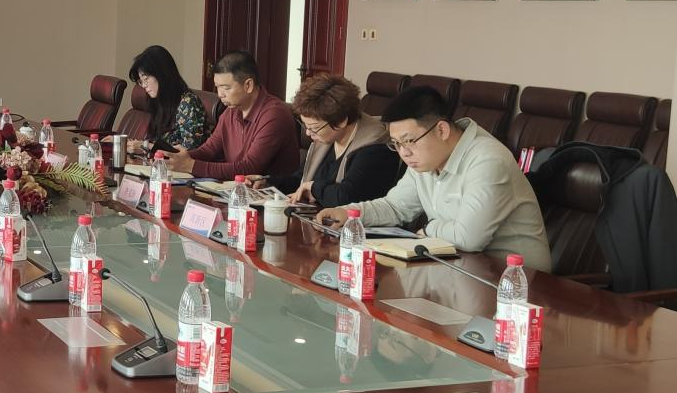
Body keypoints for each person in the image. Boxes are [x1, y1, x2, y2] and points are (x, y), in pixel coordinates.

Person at [317, 86, 552, 270]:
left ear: (441, 130)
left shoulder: (488, 160)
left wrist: (429, 228)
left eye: (409, 141)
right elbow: (396, 206)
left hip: (517, 283)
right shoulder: (425, 159)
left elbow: (469, 238)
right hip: (459, 268)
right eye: (396, 144)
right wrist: (348, 213)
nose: (404, 152)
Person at [269, 75, 401, 206]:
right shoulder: (328, 139)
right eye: (306, 126)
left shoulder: (376, 146)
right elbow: (302, 180)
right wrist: (268, 182)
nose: (308, 133)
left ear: (341, 121)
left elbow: (346, 196)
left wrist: (314, 189)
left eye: (314, 128)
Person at [167, 50, 299, 180]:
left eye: (226, 88)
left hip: (270, 192)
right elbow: (209, 151)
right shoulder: (231, 111)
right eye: (217, 87)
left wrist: (191, 166)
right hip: (236, 188)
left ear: (248, 85)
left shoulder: (274, 115)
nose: (220, 94)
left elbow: (249, 167)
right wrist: (179, 157)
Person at [128, 45, 207, 151]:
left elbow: (189, 151)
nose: (144, 85)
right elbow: (156, 141)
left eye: (146, 79)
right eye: (141, 81)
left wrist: (146, 146)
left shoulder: (188, 103)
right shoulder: (159, 100)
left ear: (162, 74)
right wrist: (126, 143)